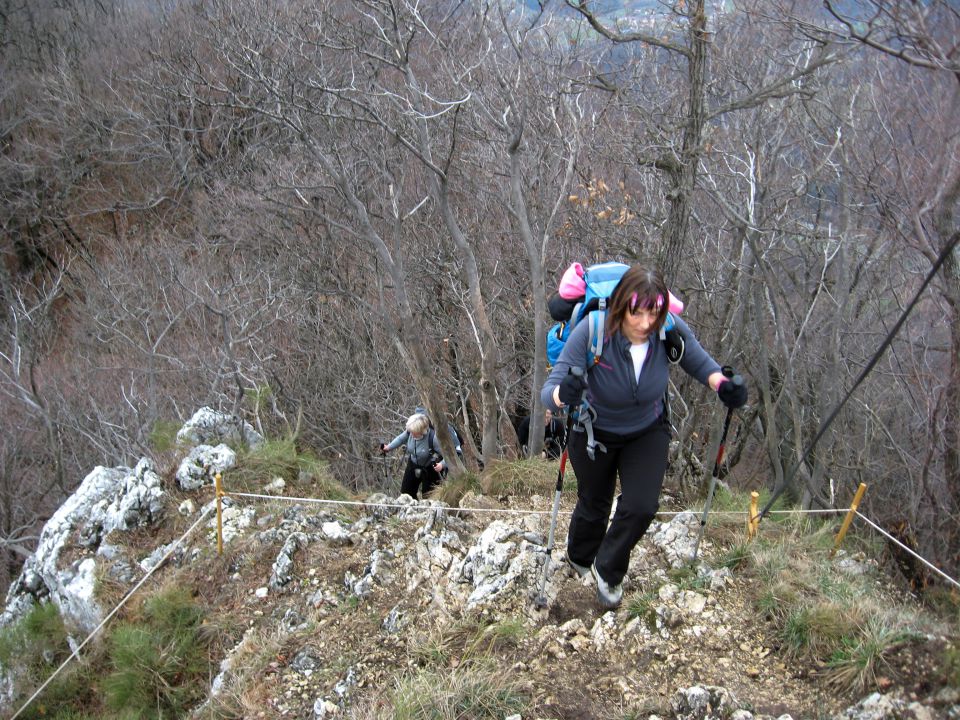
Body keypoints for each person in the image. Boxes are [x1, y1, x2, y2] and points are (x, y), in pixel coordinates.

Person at [540, 265, 747, 609]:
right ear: (621, 306)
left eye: (654, 312)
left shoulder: (667, 329)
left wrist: (723, 385)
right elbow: (549, 392)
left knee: (642, 505)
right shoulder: (592, 331)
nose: (645, 322)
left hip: (647, 429)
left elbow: (697, 360)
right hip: (593, 429)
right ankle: (579, 559)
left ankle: (607, 570)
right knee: (594, 504)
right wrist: (566, 393)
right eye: (637, 312)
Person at [380, 413, 447, 499]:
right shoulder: (410, 432)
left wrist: (442, 465)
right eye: (410, 432)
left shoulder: (433, 438)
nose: (411, 434)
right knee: (406, 493)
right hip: (413, 465)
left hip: (430, 469)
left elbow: (448, 456)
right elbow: (401, 439)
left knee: (428, 497)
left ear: (422, 431)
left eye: (414, 432)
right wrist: (388, 447)